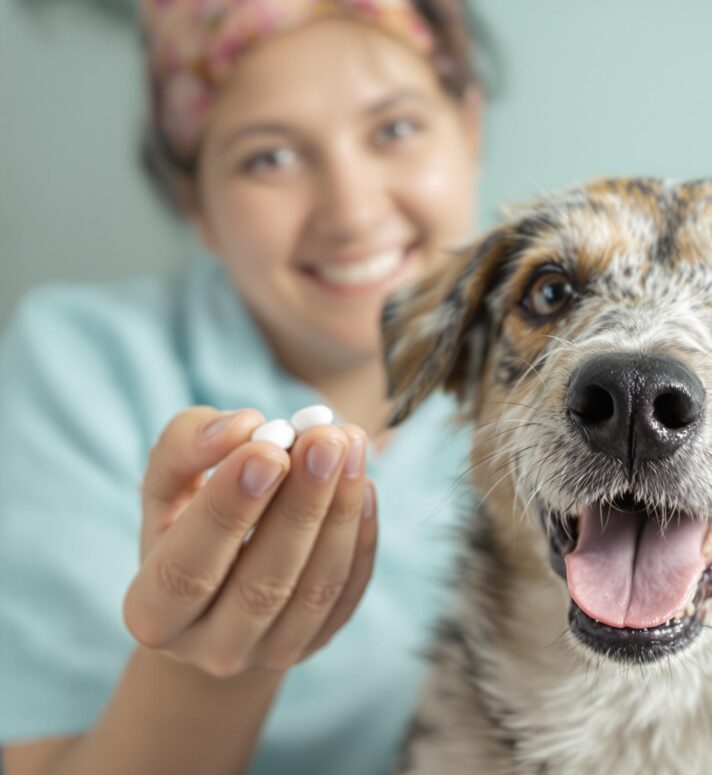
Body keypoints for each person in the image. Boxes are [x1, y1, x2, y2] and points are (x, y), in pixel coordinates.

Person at [0, 1, 485, 772]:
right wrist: (210, 656)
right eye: (270, 158)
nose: (352, 212)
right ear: (197, 203)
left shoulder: (573, 385)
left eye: (394, 129)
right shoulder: (81, 362)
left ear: (469, 127)